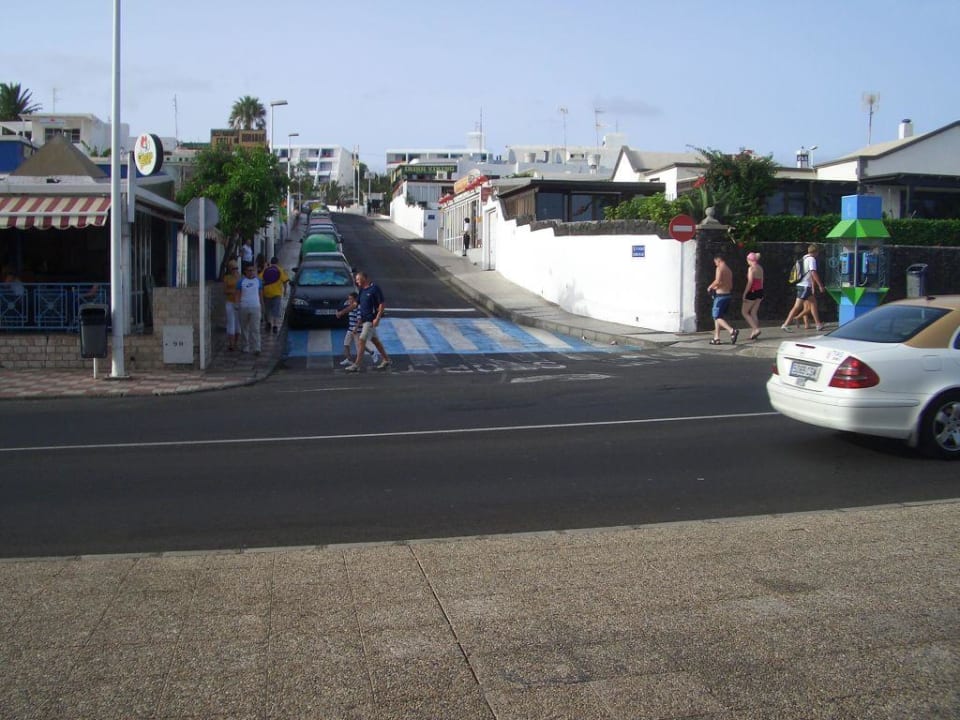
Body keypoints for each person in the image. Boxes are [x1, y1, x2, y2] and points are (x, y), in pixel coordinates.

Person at [346, 270, 391, 372]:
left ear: (364, 278)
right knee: (375, 341)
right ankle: (386, 359)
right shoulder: (362, 290)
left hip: (370, 320)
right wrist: (342, 311)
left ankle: (356, 365)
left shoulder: (375, 288)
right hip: (365, 319)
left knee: (361, 340)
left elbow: (382, 304)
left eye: (358, 279)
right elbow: (355, 305)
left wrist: (377, 318)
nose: (356, 281)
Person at [781, 244, 826, 332]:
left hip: (802, 284)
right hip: (805, 286)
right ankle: (785, 324)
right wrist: (820, 285)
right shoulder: (812, 259)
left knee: (813, 303)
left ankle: (818, 324)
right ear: (816, 252)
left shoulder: (804, 258)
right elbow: (813, 272)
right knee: (797, 306)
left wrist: (813, 285)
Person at [335, 291, 381, 367]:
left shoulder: (359, 308)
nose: (349, 300)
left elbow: (359, 320)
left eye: (351, 299)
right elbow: (340, 307)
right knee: (346, 344)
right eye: (349, 299)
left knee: (359, 347)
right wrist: (338, 312)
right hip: (350, 329)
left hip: (357, 329)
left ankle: (371, 353)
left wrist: (355, 329)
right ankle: (348, 359)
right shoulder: (348, 304)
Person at [707, 253, 739, 345]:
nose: (715, 264)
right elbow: (729, 284)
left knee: (717, 317)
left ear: (718, 260)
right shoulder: (729, 270)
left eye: (715, 262)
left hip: (720, 297)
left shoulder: (719, 268)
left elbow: (717, 281)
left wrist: (710, 287)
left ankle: (732, 330)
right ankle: (716, 338)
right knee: (718, 317)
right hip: (727, 295)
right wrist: (718, 285)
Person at [236, 262, 264, 355]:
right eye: (249, 270)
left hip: (255, 306)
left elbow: (260, 294)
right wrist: (237, 304)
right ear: (245, 271)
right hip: (244, 306)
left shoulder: (258, 281)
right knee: (244, 328)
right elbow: (238, 294)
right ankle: (245, 346)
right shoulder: (241, 282)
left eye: (253, 270)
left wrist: (262, 306)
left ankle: (257, 347)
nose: (251, 272)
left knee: (255, 328)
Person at [260, 256, 289, 334]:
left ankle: (269, 323)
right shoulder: (280, 270)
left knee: (268, 309)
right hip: (277, 293)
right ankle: (275, 326)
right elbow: (285, 281)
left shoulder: (266, 270)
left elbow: (260, 279)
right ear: (277, 262)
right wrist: (285, 291)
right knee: (276, 310)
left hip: (266, 293)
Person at [741, 251, 764, 341]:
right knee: (754, 312)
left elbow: (750, 282)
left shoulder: (751, 269)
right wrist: (761, 292)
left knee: (744, 312)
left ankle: (756, 329)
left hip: (752, 292)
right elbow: (762, 281)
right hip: (760, 291)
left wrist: (745, 293)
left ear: (749, 260)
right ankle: (753, 333)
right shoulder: (760, 268)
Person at [222, 260, 240, 351]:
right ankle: (231, 344)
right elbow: (224, 291)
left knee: (238, 324)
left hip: (239, 303)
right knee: (231, 322)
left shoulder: (240, 277)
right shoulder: (227, 278)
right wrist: (233, 291)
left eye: (237, 268)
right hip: (230, 302)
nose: (235, 270)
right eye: (233, 268)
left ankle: (236, 342)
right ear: (230, 269)